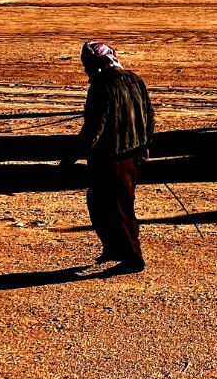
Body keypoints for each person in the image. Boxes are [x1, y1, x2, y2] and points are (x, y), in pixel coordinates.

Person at [64, 41, 154, 273]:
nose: (85, 69)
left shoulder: (100, 86)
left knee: (115, 208)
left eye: (86, 64)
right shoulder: (135, 80)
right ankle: (114, 249)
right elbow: (149, 115)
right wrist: (145, 145)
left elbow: (94, 129)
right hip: (132, 155)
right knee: (111, 205)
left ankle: (133, 258)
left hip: (109, 159)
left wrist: (72, 156)